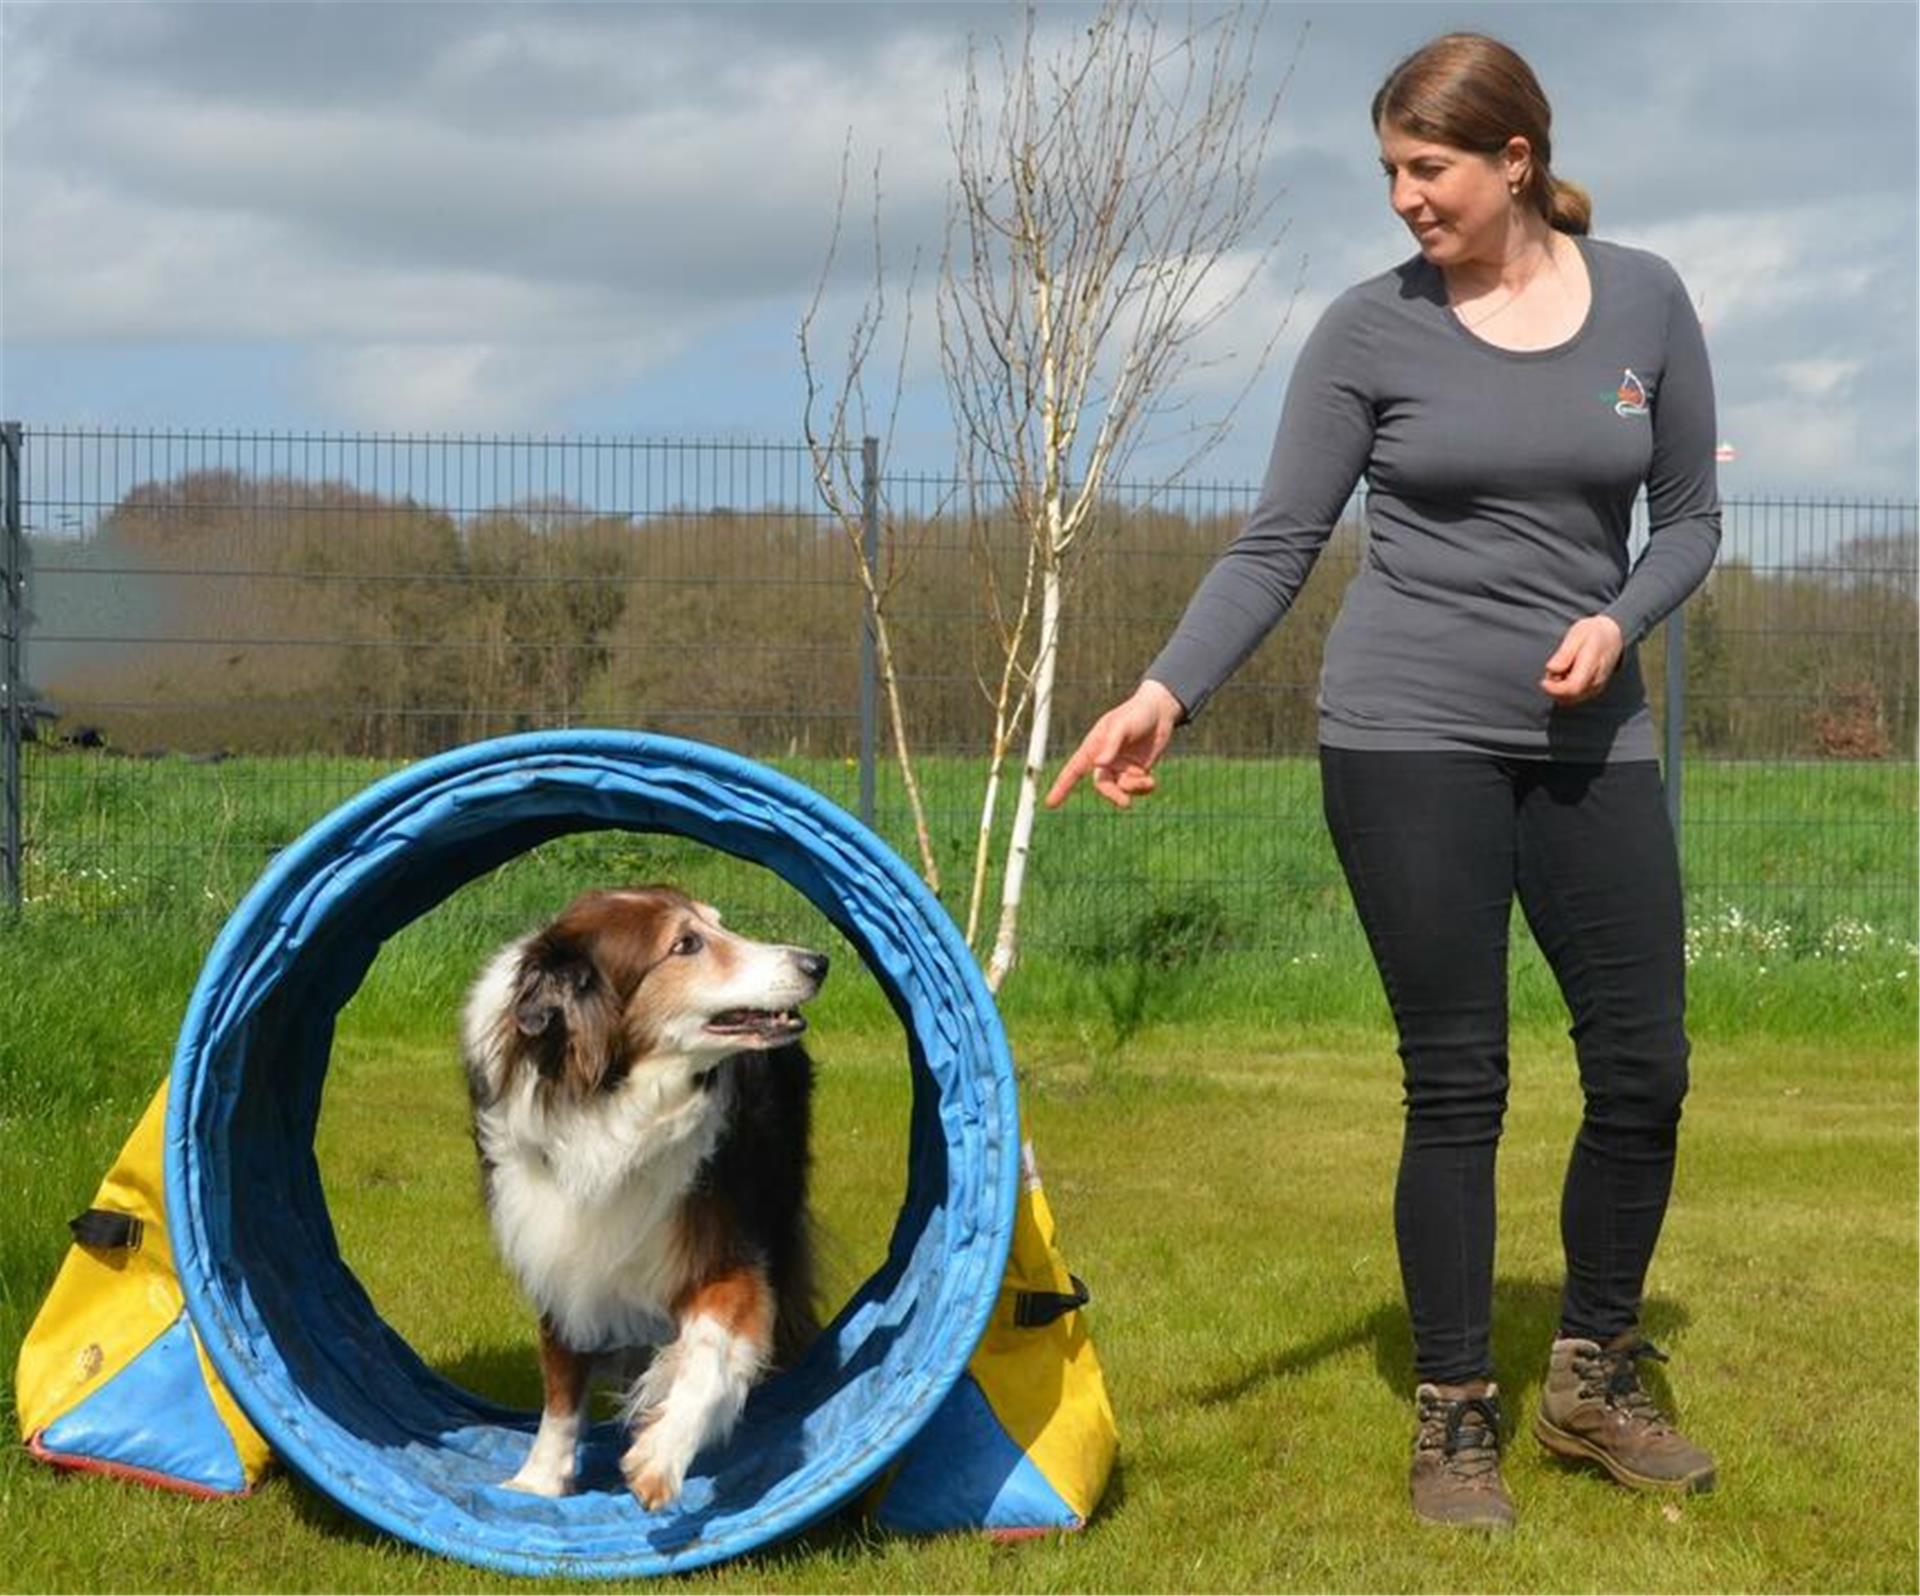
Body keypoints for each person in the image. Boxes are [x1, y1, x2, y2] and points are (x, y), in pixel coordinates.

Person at [1045, 32, 1720, 1532]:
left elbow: (1688, 521)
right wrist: (1165, 691)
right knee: (1460, 1079)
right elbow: (1279, 540)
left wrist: (1621, 619)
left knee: (1646, 1067)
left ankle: (1595, 1374)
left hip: (1590, 738)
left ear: (1515, 161)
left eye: (1430, 170)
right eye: (1392, 174)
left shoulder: (1649, 303)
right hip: (1405, 735)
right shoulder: (1368, 332)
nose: (1407, 199)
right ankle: (1457, 1412)